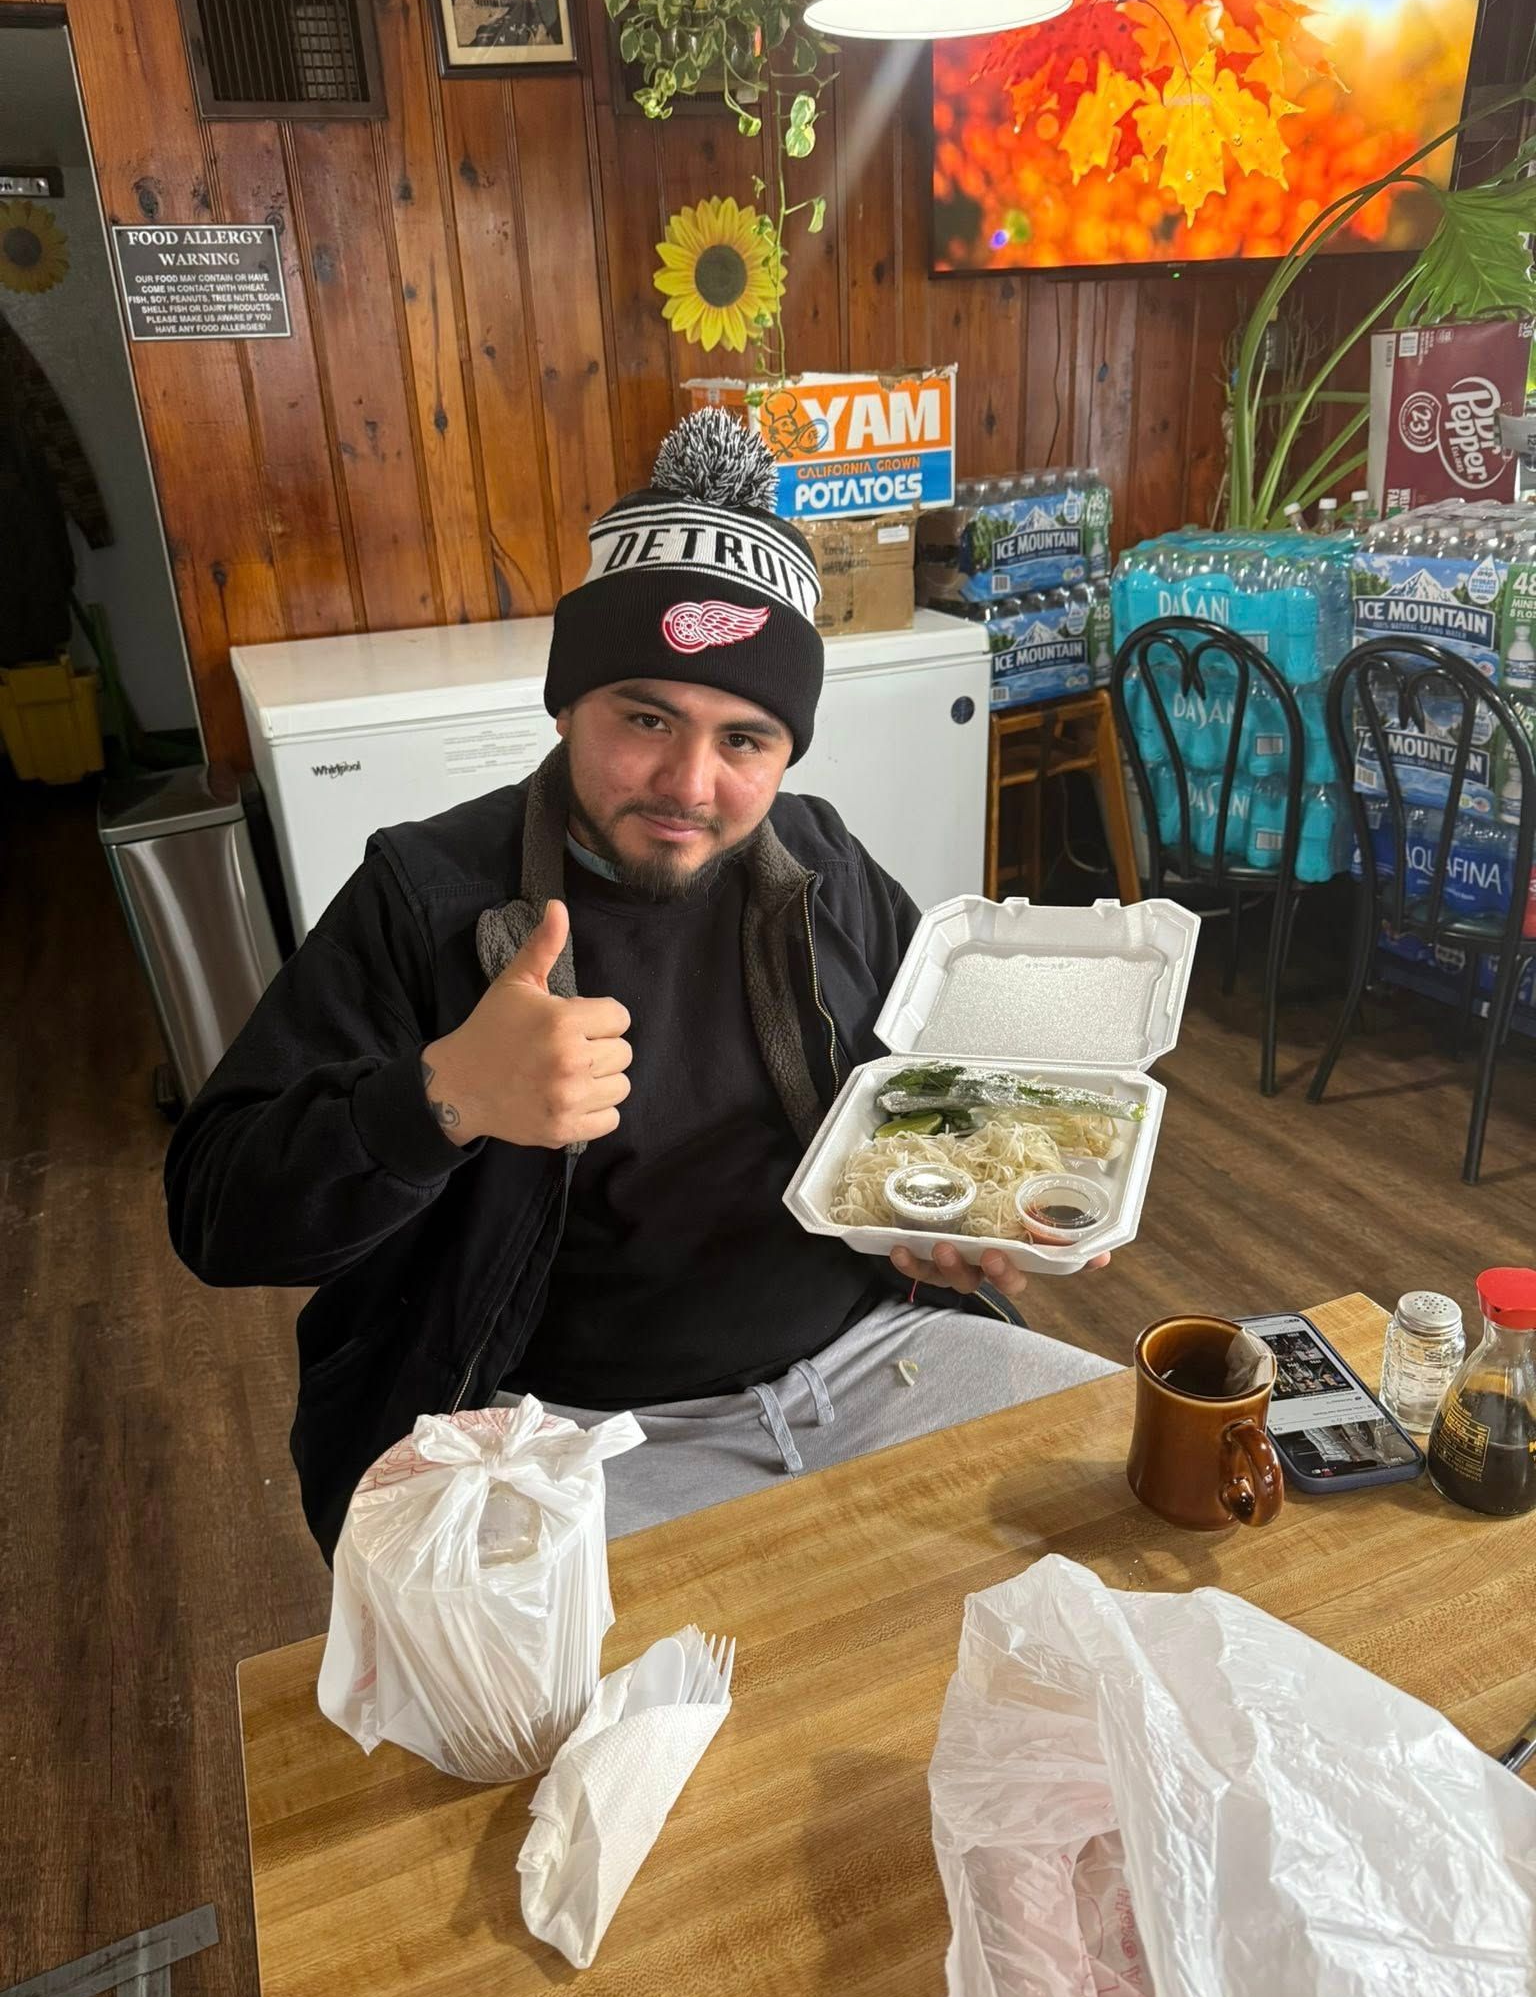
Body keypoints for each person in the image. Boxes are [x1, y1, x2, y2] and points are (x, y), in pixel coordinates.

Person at [165, 411, 1111, 1561]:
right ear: (569, 704)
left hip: (877, 1354)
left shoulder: (823, 860)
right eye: (645, 717)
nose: (689, 783)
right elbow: (214, 1211)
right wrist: (436, 1101)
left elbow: (930, 1087)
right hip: (569, 1434)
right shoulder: (427, 893)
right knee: (550, 1724)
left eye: (745, 740)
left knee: (1129, 1497)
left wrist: (947, 1218)